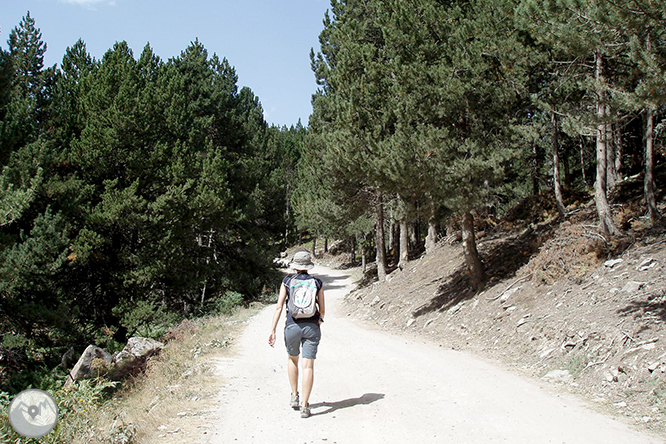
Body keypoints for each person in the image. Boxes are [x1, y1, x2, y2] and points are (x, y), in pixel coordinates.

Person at [268, 251, 325, 418]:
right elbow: (322, 310)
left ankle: (294, 395)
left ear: (295, 266)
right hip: (311, 327)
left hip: (292, 326)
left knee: (292, 359)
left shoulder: (287, 282)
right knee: (308, 366)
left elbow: (279, 307)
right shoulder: (317, 282)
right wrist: (318, 323)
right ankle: (305, 406)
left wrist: (272, 329)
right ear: (308, 266)